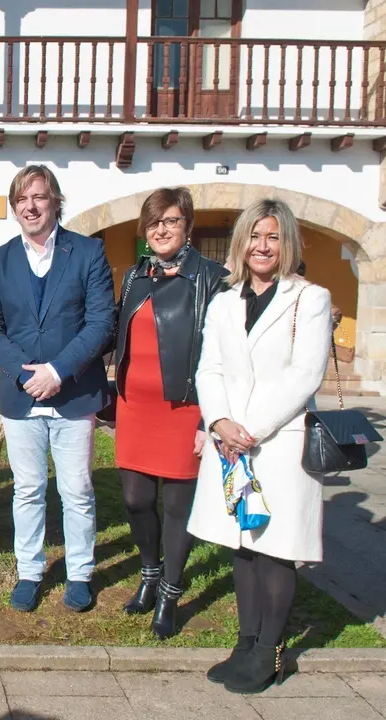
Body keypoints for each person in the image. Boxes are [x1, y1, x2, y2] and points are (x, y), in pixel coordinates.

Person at [188, 199, 332, 694]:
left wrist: (248, 428)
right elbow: (209, 368)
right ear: (241, 243)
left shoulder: (309, 299)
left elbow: (306, 374)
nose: (262, 246)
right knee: (243, 547)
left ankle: (271, 650)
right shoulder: (225, 301)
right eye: (254, 236)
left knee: (275, 550)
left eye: (272, 236)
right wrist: (219, 420)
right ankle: (245, 643)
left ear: (286, 242)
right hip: (231, 443)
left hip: (278, 443)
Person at [0, 165, 116, 613]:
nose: (30, 206)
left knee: (77, 491)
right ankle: (30, 571)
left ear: (55, 200)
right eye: (21, 199)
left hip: (74, 394)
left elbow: (101, 323)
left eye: (38, 196)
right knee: (28, 489)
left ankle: (80, 573)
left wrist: (57, 371)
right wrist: (26, 374)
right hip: (21, 397)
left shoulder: (89, 252)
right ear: (14, 208)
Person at [111, 188, 228, 639]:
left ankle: (170, 594)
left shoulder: (213, 279)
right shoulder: (135, 276)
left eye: (171, 221)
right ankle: (149, 573)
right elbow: (115, 333)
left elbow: (225, 355)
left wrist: (208, 420)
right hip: (135, 407)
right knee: (135, 499)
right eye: (154, 222)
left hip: (185, 408)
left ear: (188, 226)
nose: (161, 230)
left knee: (178, 507)